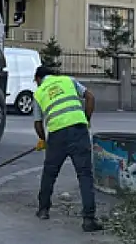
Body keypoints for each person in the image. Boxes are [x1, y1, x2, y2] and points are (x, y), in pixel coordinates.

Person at [32, 65, 103, 232]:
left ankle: (43, 210)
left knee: (49, 172)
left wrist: (43, 139)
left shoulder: (39, 92)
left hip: (57, 135)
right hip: (79, 130)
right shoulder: (68, 80)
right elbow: (90, 98)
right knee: (85, 175)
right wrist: (85, 121)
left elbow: (37, 123)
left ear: (38, 79)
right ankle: (89, 219)